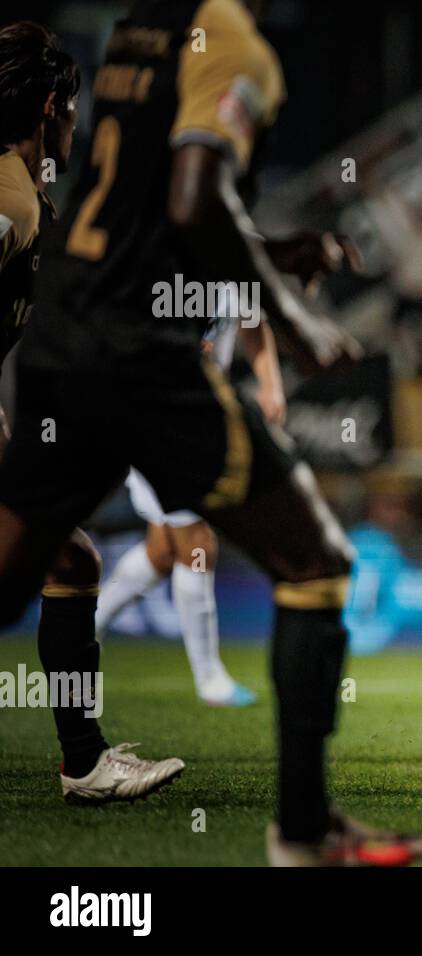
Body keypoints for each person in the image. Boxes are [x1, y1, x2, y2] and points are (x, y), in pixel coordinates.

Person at [0, 0, 422, 864]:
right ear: (53, 108)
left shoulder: (139, 32)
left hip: (72, 349)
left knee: (48, 567)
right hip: (135, 360)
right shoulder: (225, 42)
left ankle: (84, 760)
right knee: (313, 561)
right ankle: (305, 834)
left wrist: (268, 254)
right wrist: (299, 325)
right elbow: (196, 200)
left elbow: (143, 230)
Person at [0, 19, 184, 804]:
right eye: (73, 111)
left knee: (68, 559)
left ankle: (84, 762)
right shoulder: (8, 198)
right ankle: (84, 762)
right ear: (50, 106)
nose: (79, 126)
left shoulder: (24, 191)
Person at [96, 310, 289, 708]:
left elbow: (254, 325)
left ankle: (83, 625)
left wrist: (271, 385)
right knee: (198, 544)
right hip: (154, 415)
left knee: (162, 551)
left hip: (197, 420)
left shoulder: (235, 260)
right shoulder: (163, 259)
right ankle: (209, 679)